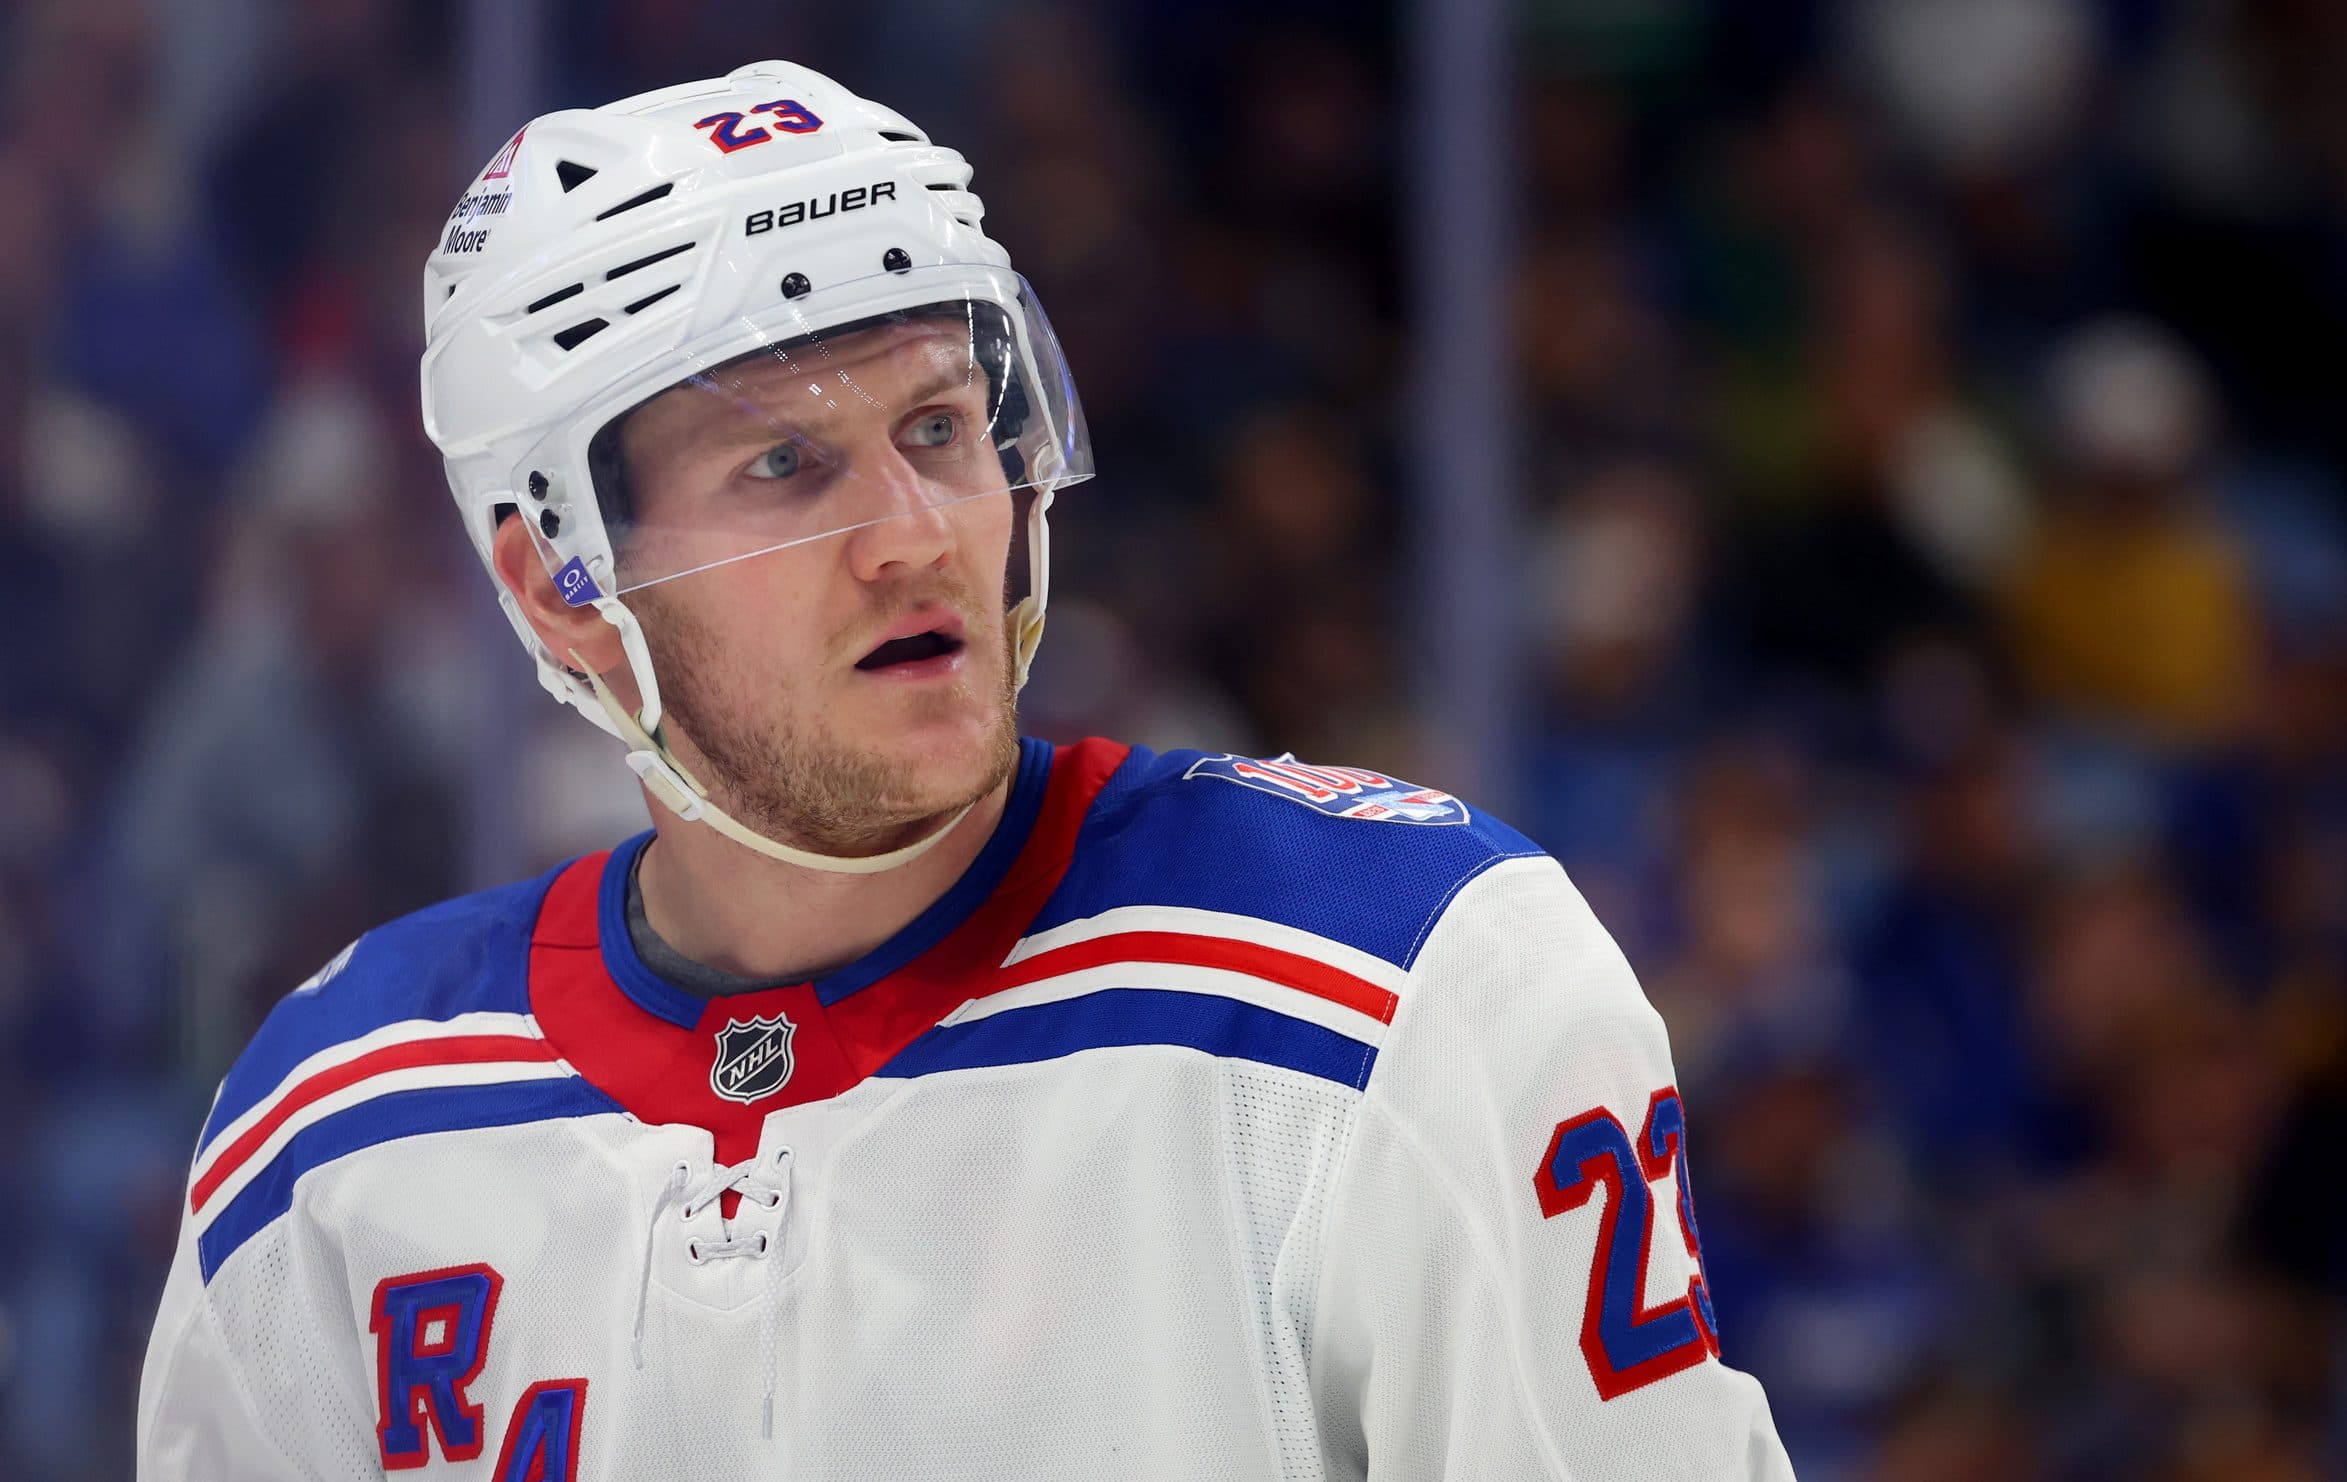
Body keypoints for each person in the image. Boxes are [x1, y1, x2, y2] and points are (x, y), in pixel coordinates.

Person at [137, 59, 1794, 1479]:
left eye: (939, 428)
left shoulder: (1404, 982)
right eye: (787, 464)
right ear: (558, 582)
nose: (918, 537)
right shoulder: (331, 1144)